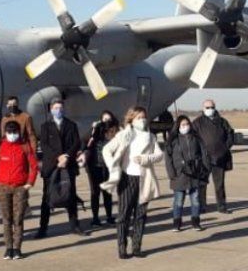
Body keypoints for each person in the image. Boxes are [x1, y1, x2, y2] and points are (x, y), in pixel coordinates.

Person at [102, 106, 163, 259]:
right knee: (124, 215)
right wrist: (112, 166)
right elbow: (106, 150)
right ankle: (122, 246)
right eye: (138, 118)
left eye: (144, 117)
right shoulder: (124, 135)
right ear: (131, 119)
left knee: (140, 215)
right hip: (127, 178)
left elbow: (159, 155)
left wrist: (146, 159)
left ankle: (137, 246)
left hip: (144, 178)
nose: (142, 120)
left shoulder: (150, 137)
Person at [0, 120, 38, 260]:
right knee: (6, 219)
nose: (12, 135)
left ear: (19, 132)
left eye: (14, 132)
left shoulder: (25, 147)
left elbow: (34, 166)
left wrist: (30, 183)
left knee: (18, 219)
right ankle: (8, 248)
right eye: (9, 132)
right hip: (3, 188)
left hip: (20, 188)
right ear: (5, 133)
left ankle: (17, 248)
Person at [37, 98, 86, 238]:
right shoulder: (45, 126)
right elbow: (44, 145)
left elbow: (76, 142)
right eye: (56, 108)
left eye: (60, 108)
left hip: (68, 164)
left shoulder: (71, 125)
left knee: (71, 195)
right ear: (51, 109)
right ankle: (43, 228)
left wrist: (66, 156)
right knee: (46, 197)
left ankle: (75, 226)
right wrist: (58, 157)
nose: (58, 110)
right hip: (51, 166)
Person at [165, 114, 210, 232]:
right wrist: (171, 173)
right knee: (178, 201)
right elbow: (168, 158)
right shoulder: (173, 140)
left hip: (195, 174)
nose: (186, 126)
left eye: (187, 124)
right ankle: (177, 223)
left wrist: (205, 169)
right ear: (178, 126)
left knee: (195, 200)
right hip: (179, 175)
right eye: (183, 125)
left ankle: (196, 222)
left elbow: (204, 154)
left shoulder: (196, 138)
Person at [194, 99, 235, 214]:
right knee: (202, 184)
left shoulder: (222, 121)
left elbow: (230, 134)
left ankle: (222, 206)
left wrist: (225, 148)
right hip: (204, 159)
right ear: (203, 108)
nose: (210, 109)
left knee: (219, 184)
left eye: (212, 107)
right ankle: (201, 206)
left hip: (219, 158)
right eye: (207, 107)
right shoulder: (197, 122)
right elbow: (193, 138)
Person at [85, 111, 119, 227]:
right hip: (94, 166)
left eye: (108, 119)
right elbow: (87, 144)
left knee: (107, 193)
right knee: (95, 193)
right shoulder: (96, 131)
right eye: (104, 119)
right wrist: (94, 130)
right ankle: (95, 218)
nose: (106, 122)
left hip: (108, 167)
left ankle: (109, 216)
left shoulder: (114, 132)